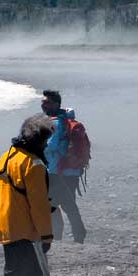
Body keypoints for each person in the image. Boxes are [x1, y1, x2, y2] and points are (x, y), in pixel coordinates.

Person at [0, 113, 57, 276]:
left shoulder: (9, 155)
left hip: (4, 219)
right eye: (45, 141)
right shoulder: (34, 164)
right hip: (22, 227)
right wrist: (46, 235)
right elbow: (38, 205)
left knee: (33, 272)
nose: (46, 145)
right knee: (15, 273)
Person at [41, 89, 87, 244]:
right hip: (69, 171)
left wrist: (36, 146)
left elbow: (51, 146)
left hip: (57, 171)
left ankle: (69, 235)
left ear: (56, 104)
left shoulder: (57, 122)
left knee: (57, 205)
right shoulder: (63, 119)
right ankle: (75, 235)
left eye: (47, 102)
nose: (43, 105)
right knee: (66, 204)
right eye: (43, 102)